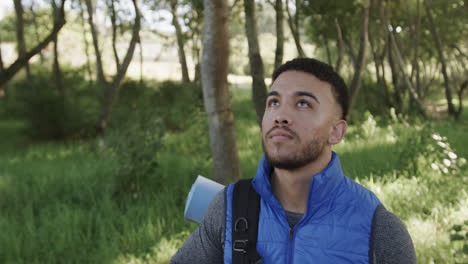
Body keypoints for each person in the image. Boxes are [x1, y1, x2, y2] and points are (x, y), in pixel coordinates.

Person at [171, 58, 417, 264]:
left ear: (336, 132)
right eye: (274, 102)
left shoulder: (380, 229)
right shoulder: (228, 206)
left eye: (303, 103)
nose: (281, 115)